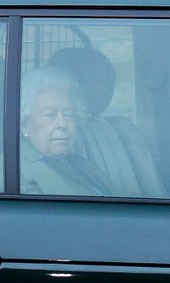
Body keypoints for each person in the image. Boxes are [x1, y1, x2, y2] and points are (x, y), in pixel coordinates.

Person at [19, 65, 113, 195]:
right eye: (49, 115)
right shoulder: (13, 172)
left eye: (68, 114)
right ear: (24, 124)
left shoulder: (84, 166)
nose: (62, 124)